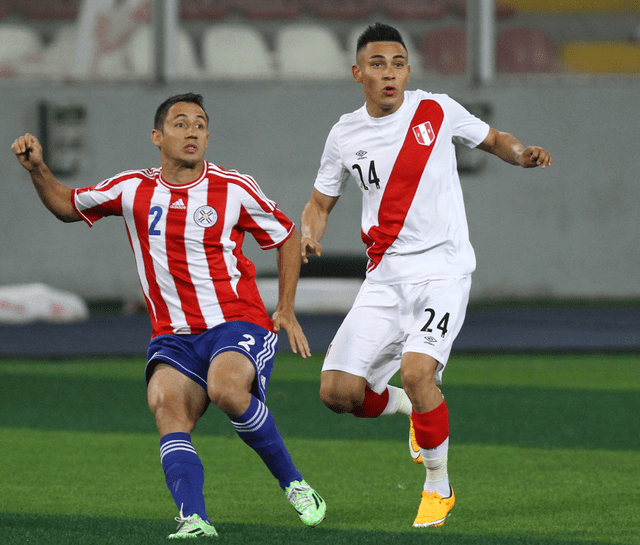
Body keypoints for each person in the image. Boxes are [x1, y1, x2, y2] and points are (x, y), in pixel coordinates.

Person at [12, 92, 326, 538]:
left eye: (200, 123)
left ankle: (294, 484)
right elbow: (67, 206)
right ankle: (194, 519)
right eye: (180, 123)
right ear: (158, 137)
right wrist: (39, 170)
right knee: (166, 408)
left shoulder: (232, 187)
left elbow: (287, 236)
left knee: (227, 388)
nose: (192, 130)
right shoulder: (132, 188)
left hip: (236, 322)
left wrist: (286, 308)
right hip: (174, 336)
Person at [300, 23, 552, 528]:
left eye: (397, 63)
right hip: (384, 279)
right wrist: (310, 230)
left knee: (419, 373)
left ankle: (439, 485)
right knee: (337, 394)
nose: (389, 73)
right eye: (377, 64)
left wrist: (521, 154)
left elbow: (496, 139)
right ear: (357, 73)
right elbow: (320, 201)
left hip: (443, 271)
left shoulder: (435, 109)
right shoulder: (344, 134)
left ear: (408, 70)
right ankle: (410, 409)